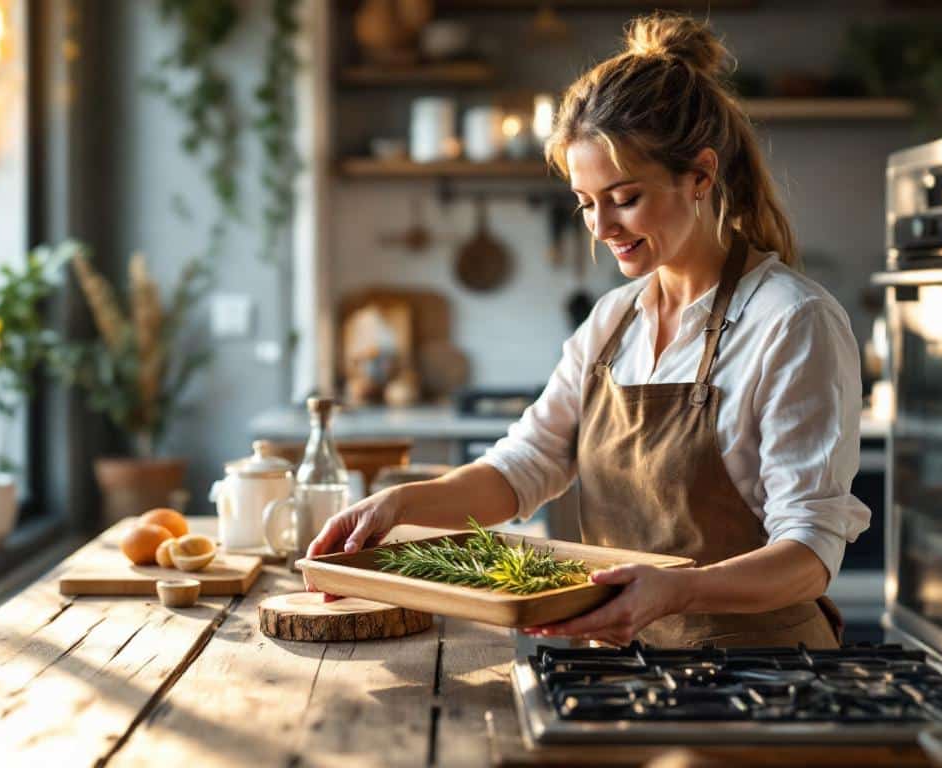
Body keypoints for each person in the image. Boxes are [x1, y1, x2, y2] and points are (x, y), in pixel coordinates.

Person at [305, 12, 870, 649]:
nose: (601, 227)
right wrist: (402, 506)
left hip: (761, 683)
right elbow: (523, 467)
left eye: (624, 197)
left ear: (701, 177)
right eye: (585, 202)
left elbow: (809, 555)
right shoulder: (612, 321)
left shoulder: (792, 321)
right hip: (622, 677)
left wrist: (679, 589)